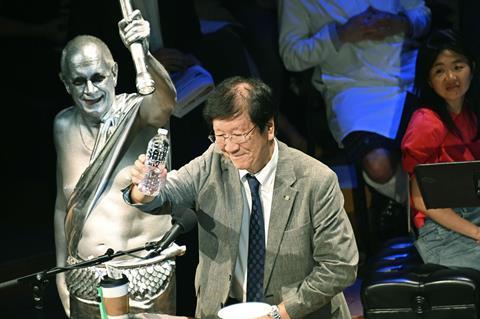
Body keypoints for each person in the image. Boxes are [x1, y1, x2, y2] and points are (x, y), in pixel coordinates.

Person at [123, 76, 359, 319]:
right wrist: (144, 189)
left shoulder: (316, 180)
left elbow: (339, 266)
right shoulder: (214, 160)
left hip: (296, 313)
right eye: (220, 136)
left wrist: (279, 314)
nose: (230, 147)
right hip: (224, 310)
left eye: (239, 134)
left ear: (269, 128)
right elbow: (165, 194)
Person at [54, 9, 183, 318]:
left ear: (113, 73)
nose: (90, 90)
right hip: (83, 277)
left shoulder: (138, 114)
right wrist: (61, 270)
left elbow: (164, 102)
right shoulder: (62, 125)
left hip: (144, 274)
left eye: (97, 77)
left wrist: (145, 53)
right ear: (65, 83)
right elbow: (64, 204)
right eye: (79, 81)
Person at [278, 0, 431, 242]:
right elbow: (292, 55)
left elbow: (422, 15)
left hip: (406, 73)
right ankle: (426, 210)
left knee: (431, 145)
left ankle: (420, 215)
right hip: (350, 87)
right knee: (379, 164)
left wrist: (400, 23)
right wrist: (339, 34)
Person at [401, 28, 480, 270]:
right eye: (439, 70)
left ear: (472, 68)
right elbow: (421, 201)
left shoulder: (472, 113)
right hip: (442, 229)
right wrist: (477, 232)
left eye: (458, 67)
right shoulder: (427, 123)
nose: (450, 77)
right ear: (428, 80)